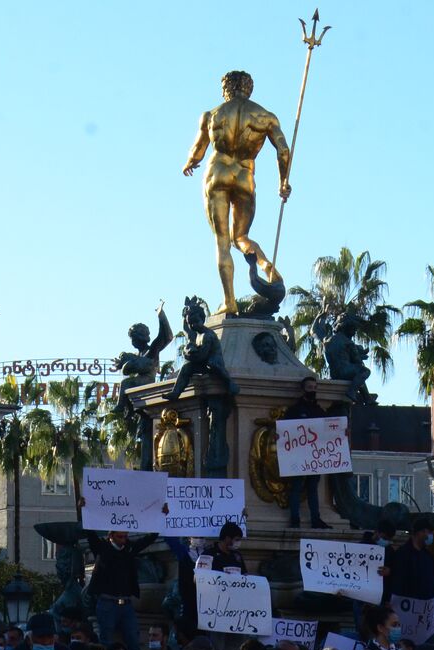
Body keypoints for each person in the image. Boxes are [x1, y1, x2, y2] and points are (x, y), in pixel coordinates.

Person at [182, 68, 291, 316]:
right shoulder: (266, 117)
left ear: (225, 89)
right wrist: (283, 182)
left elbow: (198, 150)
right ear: (249, 88)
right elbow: (283, 150)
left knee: (223, 242)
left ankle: (229, 301)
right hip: (245, 176)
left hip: (217, 173)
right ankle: (268, 268)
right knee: (241, 237)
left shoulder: (212, 115)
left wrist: (189, 162)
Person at [79, 497, 160, 650]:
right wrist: (84, 510)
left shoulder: (129, 549)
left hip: (126, 604)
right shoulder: (102, 548)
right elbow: (89, 533)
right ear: (111, 536)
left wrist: (160, 517)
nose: (123, 540)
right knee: (106, 641)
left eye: (125, 536)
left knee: (134, 641)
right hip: (107, 604)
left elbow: (149, 539)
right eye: (120, 536)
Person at [281, 376, 330, 529]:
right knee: (296, 486)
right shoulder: (295, 410)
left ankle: (316, 519)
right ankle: (295, 519)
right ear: (303, 389)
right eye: (310, 387)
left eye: (315, 388)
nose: (312, 390)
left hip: (315, 456)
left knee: (312, 487)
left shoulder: (319, 410)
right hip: (299, 455)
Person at [382, 515, 434, 603]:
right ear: (420, 532)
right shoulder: (402, 554)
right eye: (429, 532)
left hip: (425, 606)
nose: (431, 536)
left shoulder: (428, 556)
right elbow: (397, 582)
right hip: (407, 607)